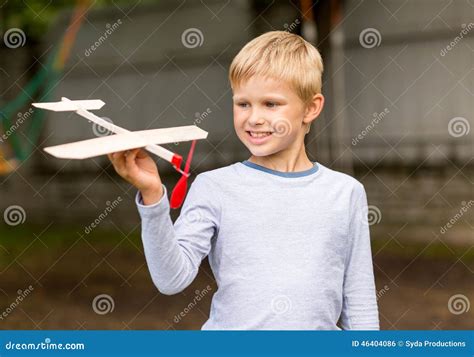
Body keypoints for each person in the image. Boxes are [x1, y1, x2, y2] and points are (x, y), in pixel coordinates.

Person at [107, 30, 380, 330]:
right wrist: (153, 197)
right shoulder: (214, 187)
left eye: (271, 104)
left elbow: (360, 299)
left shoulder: (345, 192)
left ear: (311, 108)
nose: (254, 118)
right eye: (243, 104)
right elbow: (171, 279)